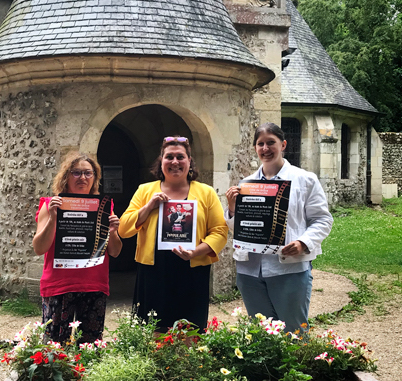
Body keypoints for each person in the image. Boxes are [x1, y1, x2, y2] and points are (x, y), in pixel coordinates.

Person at [225, 123, 333, 333]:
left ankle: (298, 367)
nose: (266, 148)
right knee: (261, 333)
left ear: (283, 144)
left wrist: (304, 243)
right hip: (250, 271)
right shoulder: (246, 184)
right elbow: (237, 229)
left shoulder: (305, 180)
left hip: (288, 268)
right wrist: (231, 209)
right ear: (255, 148)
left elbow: (322, 220)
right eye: (260, 144)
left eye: (271, 142)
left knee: (293, 331)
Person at [119, 136, 228, 332]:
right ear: (161, 161)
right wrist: (149, 206)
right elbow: (124, 229)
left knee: (190, 332)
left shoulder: (206, 192)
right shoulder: (145, 191)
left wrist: (196, 251)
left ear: (189, 161)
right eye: (169, 157)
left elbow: (219, 231)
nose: (175, 162)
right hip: (153, 273)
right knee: (152, 331)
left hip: (192, 271)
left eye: (180, 157)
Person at [33, 152, 122, 344]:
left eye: (88, 173)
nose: (83, 178)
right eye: (76, 173)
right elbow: (39, 248)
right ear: (66, 176)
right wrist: (53, 218)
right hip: (59, 286)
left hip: (93, 284)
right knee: (54, 349)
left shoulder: (103, 207)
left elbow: (114, 251)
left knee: (90, 349)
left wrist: (113, 231)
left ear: (95, 178)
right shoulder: (50, 205)